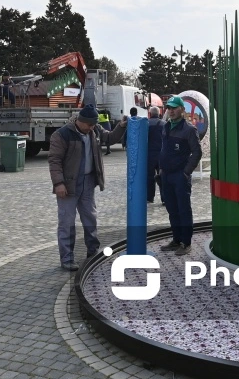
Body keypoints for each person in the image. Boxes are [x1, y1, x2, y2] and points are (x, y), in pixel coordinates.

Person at [47, 105, 127, 270]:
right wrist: (59, 183)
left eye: (94, 125)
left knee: (90, 218)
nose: (92, 128)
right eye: (89, 125)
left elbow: (110, 138)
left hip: (88, 182)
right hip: (68, 185)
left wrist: (121, 126)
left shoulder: (94, 130)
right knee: (67, 222)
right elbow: (54, 160)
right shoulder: (62, 135)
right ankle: (67, 259)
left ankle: (93, 251)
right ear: (80, 121)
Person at [158, 96, 202, 255]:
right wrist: (161, 168)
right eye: (169, 108)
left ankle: (186, 242)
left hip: (180, 176)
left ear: (182, 110)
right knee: (171, 208)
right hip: (166, 175)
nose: (171, 110)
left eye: (174, 108)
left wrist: (186, 172)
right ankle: (176, 239)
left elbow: (197, 152)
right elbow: (164, 149)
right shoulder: (166, 126)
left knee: (183, 209)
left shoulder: (189, 129)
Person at [146, 107, 166, 202]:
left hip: (149, 154)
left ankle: (150, 197)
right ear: (159, 114)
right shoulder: (164, 124)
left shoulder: (146, 124)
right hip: (161, 155)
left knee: (150, 177)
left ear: (150, 114)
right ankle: (164, 198)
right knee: (162, 177)